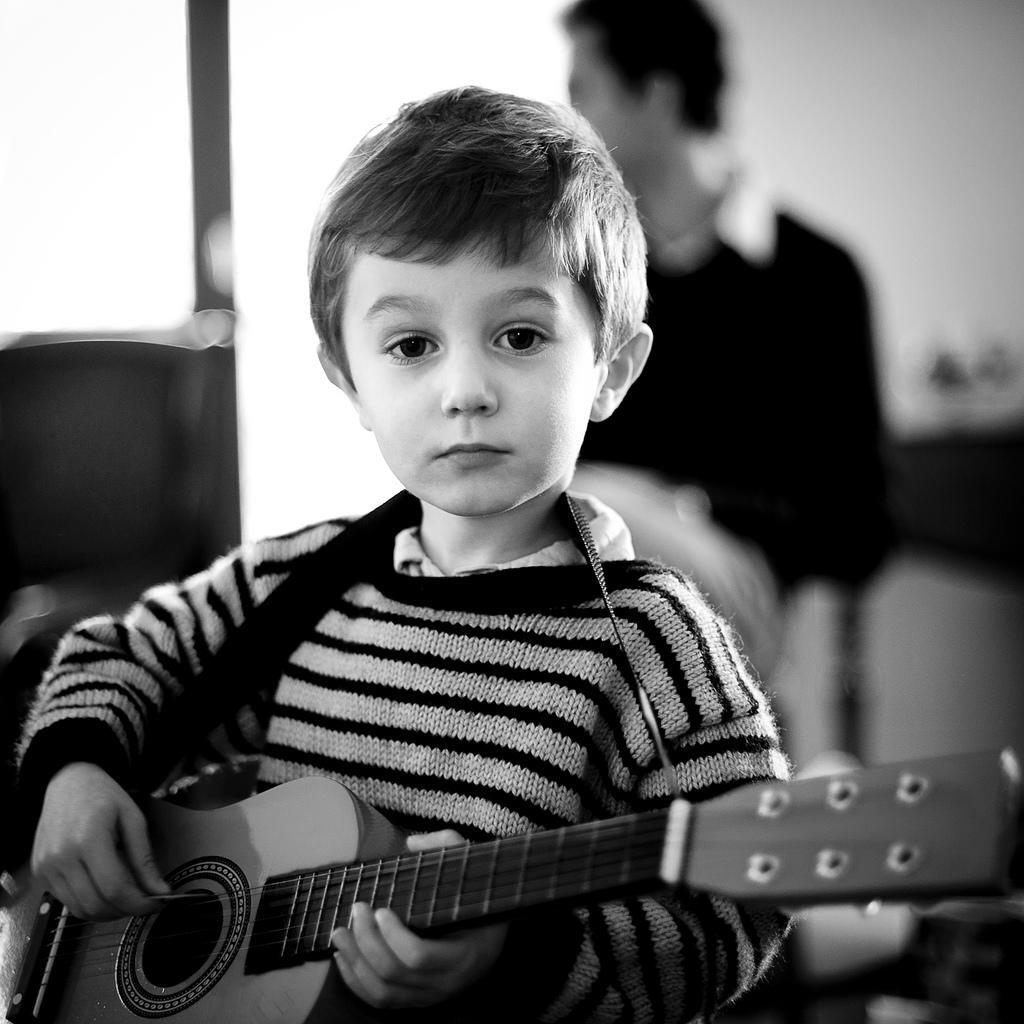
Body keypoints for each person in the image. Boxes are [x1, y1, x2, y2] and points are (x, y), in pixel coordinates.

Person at [15, 86, 789, 1022]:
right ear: (347, 376)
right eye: (412, 344)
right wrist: (75, 772)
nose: (465, 389)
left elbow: (733, 918)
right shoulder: (299, 584)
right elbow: (117, 653)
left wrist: (519, 962)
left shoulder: (654, 642)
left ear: (612, 367)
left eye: (519, 336)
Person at [562, 0, 895, 680]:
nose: (569, 123)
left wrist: (690, 508)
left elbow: (860, 526)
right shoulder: (580, 275)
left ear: (656, 96)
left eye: (581, 93)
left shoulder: (818, 276)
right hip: (587, 569)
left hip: (732, 599)